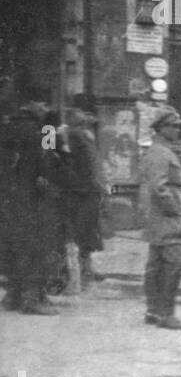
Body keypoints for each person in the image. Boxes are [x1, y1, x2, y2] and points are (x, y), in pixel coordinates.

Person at [0, 94, 63, 314]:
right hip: (33, 198)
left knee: (13, 246)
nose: (46, 108)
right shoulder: (43, 129)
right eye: (44, 103)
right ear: (33, 102)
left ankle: (13, 296)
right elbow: (49, 159)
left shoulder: (8, 127)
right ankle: (32, 298)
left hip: (8, 198)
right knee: (36, 246)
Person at [141, 108, 181, 330]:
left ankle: (153, 310)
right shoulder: (161, 153)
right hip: (167, 219)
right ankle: (166, 314)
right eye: (174, 126)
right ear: (162, 128)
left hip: (159, 217)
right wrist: (175, 210)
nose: (178, 130)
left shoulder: (159, 151)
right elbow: (159, 187)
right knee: (175, 264)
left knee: (156, 264)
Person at [61, 99, 105, 288]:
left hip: (89, 190)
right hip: (81, 192)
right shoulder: (69, 134)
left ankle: (86, 269)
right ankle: (79, 272)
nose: (88, 118)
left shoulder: (84, 135)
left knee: (87, 233)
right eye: (83, 114)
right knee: (80, 234)